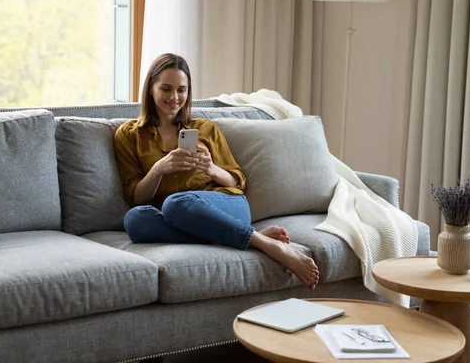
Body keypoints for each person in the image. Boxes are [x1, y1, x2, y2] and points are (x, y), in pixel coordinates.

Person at [113, 53, 319, 290]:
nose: (174, 97)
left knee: (175, 203)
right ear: (151, 89)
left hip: (226, 205)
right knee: (135, 220)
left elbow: (237, 182)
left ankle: (269, 246)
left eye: (182, 90)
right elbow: (136, 197)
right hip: (181, 216)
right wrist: (159, 169)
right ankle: (254, 236)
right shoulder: (128, 135)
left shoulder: (205, 129)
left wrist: (211, 168)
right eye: (166, 89)